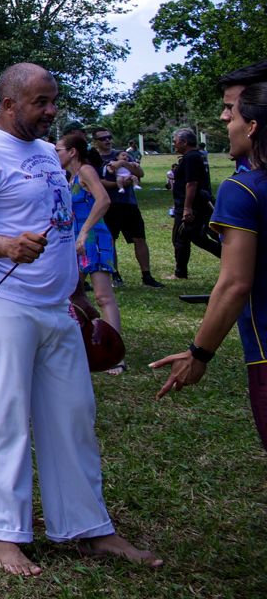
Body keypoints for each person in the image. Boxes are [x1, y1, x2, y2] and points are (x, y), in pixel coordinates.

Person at [0, 62, 160, 576]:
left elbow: (60, 231)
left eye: (53, 100)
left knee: (73, 414)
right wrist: (3, 244)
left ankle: (88, 528)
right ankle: (2, 534)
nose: (52, 111)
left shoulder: (44, 154)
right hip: (1, 303)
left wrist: (79, 297)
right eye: (41, 102)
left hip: (55, 305)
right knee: (6, 416)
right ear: (9, 104)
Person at [152, 77, 267, 450]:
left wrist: (198, 354)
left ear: (252, 127)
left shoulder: (243, 189)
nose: (225, 122)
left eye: (231, 114)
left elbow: (235, 283)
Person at [57, 134, 123, 342]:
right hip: (75, 241)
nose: (55, 154)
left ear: (72, 152)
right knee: (70, 294)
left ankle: (114, 352)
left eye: (58, 149)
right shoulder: (69, 177)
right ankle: (83, 341)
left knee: (103, 296)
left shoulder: (86, 170)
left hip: (94, 239)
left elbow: (103, 200)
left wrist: (85, 232)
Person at [92, 128, 160, 287]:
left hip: (129, 203)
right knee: (110, 240)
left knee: (139, 238)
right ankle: (115, 275)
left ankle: (147, 276)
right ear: (96, 141)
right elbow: (97, 181)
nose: (107, 141)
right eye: (103, 139)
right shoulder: (94, 159)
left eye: (109, 137)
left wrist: (123, 163)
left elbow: (140, 173)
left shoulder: (122, 154)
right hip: (109, 205)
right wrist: (118, 184)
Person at [171, 127, 221, 277]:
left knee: (187, 237)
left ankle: (230, 257)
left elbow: (191, 184)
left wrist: (187, 208)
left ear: (184, 142)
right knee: (189, 237)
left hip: (192, 206)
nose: (174, 145)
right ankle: (180, 272)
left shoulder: (191, 157)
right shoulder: (195, 156)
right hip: (197, 204)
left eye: (176, 142)